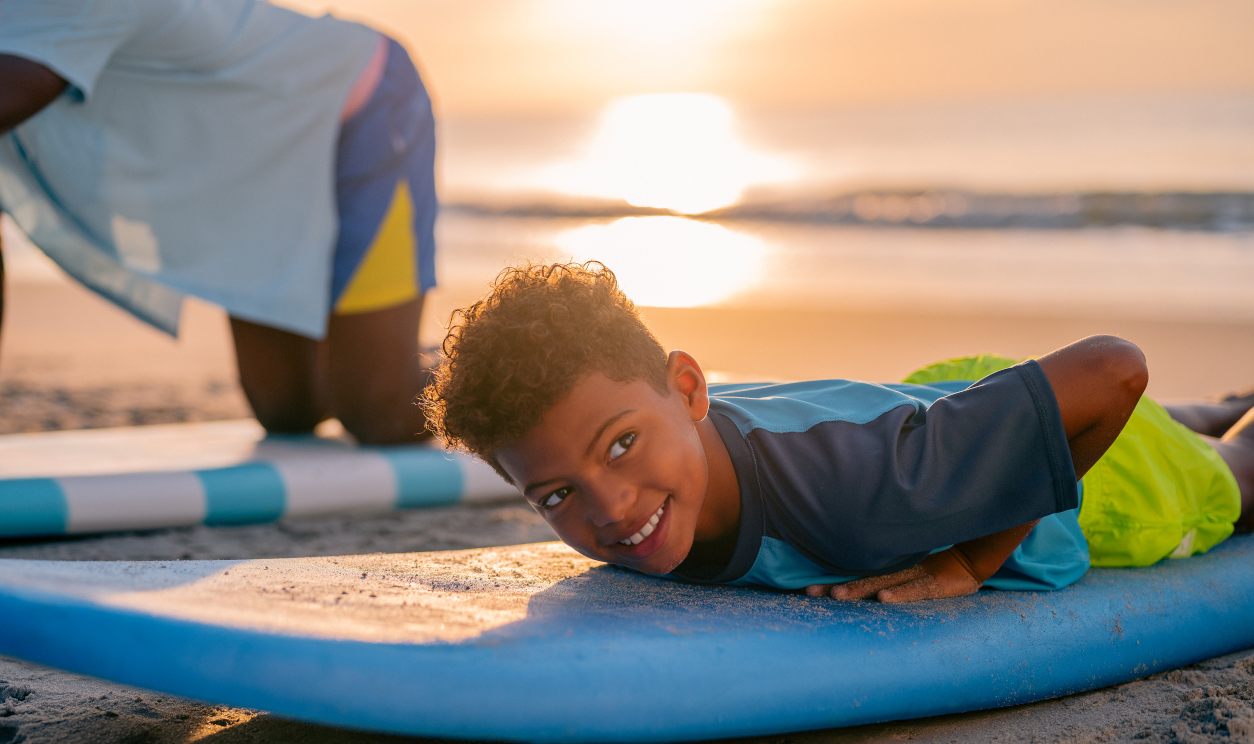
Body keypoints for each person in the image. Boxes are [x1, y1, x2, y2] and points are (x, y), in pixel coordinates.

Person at [0, 0, 436, 448]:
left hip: (360, 112)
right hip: (259, 173)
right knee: (286, 411)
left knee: (379, 411)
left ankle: (486, 361)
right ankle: (379, 353)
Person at [418, 262, 1253, 603]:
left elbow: (1112, 372)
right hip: (944, 401)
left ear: (689, 388)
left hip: (1106, 489)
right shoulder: (674, 429)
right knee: (1187, 418)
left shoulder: (862, 500)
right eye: (556, 494)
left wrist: (969, 561)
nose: (608, 508)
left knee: (1233, 467)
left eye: (621, 446)